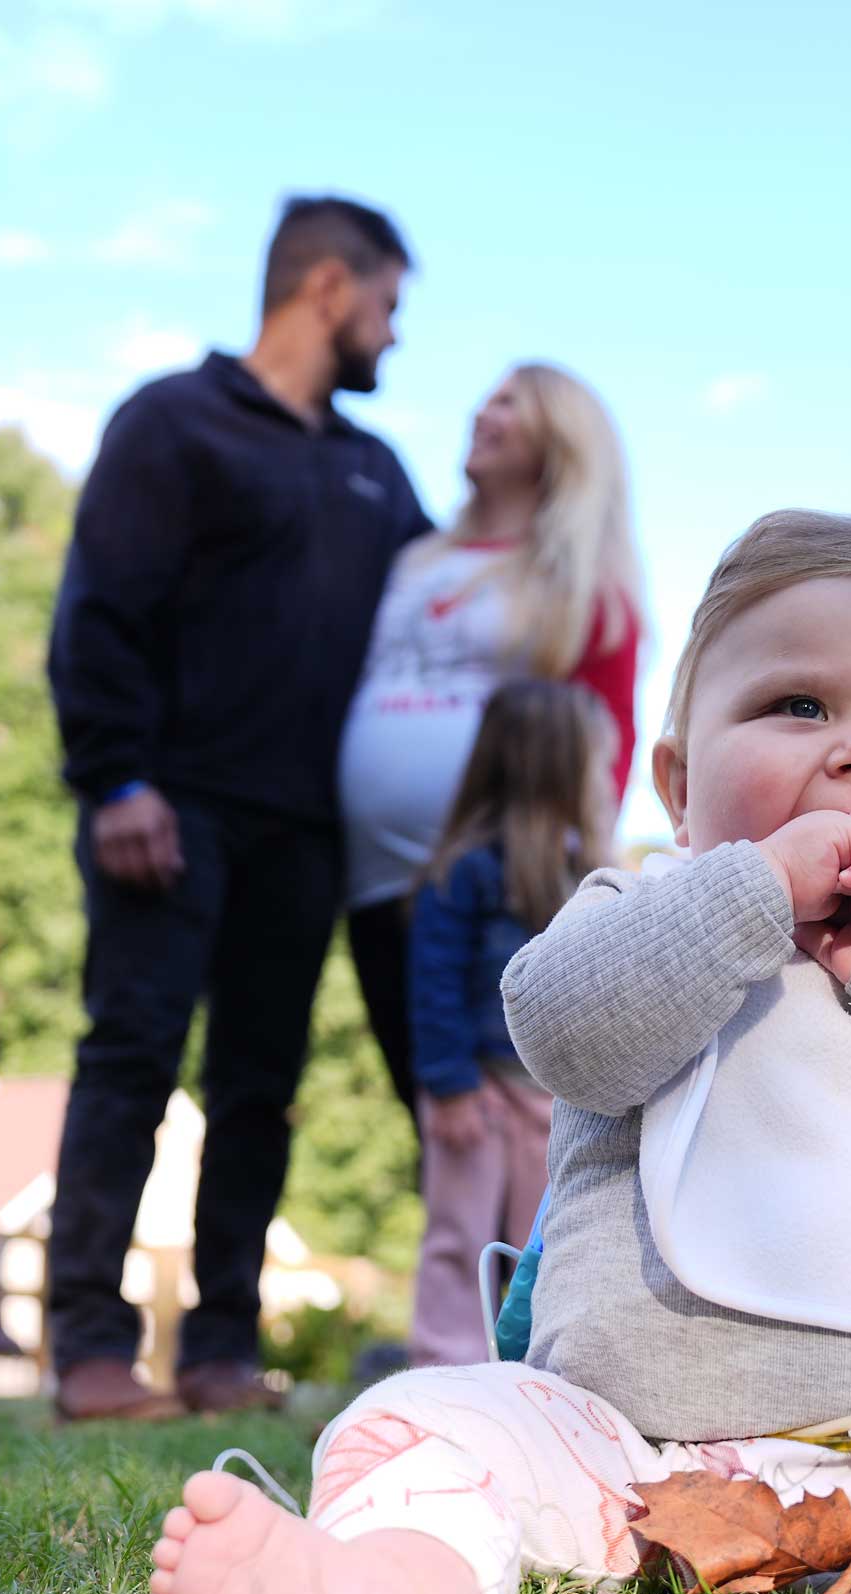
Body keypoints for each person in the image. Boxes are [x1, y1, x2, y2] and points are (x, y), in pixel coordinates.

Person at [145, 509, 851, 1594]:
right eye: (798, 706)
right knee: (418, 1420)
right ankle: (388, 1593)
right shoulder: (644, 913)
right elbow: (564, 1034)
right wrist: (747, 895)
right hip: (618, 1454)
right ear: (680, 788)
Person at [45, 195, 430, 1422]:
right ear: (329, 287)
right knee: (132, 1060)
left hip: (307, 833)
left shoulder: (377, 473)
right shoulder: (173, 423)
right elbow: (97, 612)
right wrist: (116, 779)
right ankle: (91, 1351)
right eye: (389, 303)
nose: (393, 333)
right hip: (169, 808)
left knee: (259, 1089)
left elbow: (447, 614)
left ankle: (220, 1350)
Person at [338, 362, 643, 1120]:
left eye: (509, 401)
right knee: (428, 1108)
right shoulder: (414, 557)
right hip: (372, 878)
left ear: (558, 439)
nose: (482, 411)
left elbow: (608, 741)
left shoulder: (578, 583)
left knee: (501, 1123)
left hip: (494, 889)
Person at [406, 678, 616, 1366]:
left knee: (551, 1247)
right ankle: (443, 1367)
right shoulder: (467, 872)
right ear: (558, 766)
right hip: (479, 1092)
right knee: (459, 1235)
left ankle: (539, 1375)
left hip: (556, 1103)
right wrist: (448, 1084)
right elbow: (434, 983)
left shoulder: (584, 873)